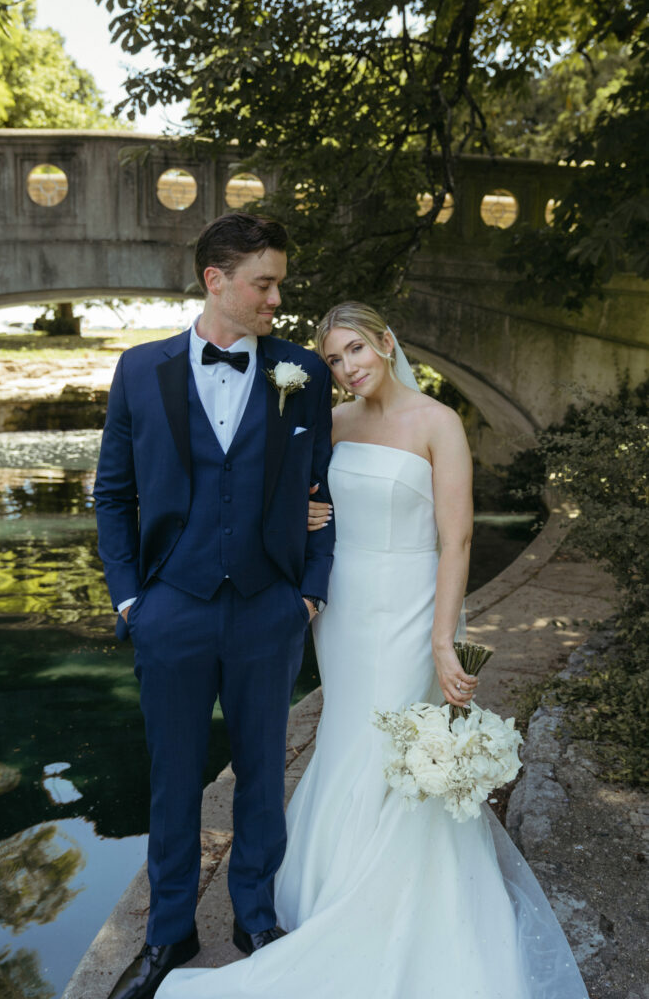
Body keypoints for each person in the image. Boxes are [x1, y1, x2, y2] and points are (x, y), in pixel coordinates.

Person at [154, 301, 590, 999]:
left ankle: (393, 905)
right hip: (344, 608)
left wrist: (443, 640)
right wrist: (296, 514)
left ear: (385, 344)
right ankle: (330, 885)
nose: (348, 367)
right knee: (347, 733)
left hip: (413, 603)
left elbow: (458, 540)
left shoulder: (438, 424)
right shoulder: (331, 424)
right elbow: (281, 504)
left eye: (356, 349)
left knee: (395, 741)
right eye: (333, 358)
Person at [93, 212, 335, 999]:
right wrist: (131, 599)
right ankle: (168, 934)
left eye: (278, 286)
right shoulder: (140, 370)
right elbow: (114, 496)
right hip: (171, 608)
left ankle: (254, 919)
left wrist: (309, 592)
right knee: (172, 778)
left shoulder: (301, 370)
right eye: (264, 284)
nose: (275, 300)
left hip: (269, 607)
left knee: (264, 772)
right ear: (216, 280)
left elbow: (322, 493)